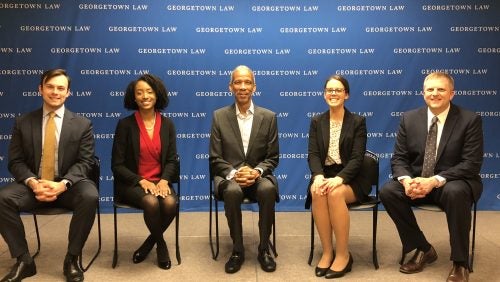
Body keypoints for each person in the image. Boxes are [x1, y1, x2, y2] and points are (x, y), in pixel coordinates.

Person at [380, 72, 483, 282]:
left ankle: (460, 262)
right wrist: (407, 180)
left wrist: (434, 181)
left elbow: (471, 164)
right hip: (419, 182)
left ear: (452, 94)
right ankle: (423, 248)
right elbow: (399, 159)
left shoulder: (469, 119)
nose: (435, 93)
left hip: (453, 182)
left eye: (441, 89)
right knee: (388, 191)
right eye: (430, 89)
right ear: (423, 93)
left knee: (456, 192)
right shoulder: (409, 119)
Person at [0, 69, 98, 282]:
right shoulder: (23, 122)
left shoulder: (82, 124)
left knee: (90, 196)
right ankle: (24, 260)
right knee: (2, 198)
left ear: (68, 93)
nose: (55, 92)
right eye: (50, 86)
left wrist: (63, 184)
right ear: (40, 89)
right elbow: (15, 162)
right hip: (33, 186)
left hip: (68, 187)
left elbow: (85, 162)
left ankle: (72, 258)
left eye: (61, 88)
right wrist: (34, 183)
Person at [209, 65, 279, 274]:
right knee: (231, 191)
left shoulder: (269, 117)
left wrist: (256, 172)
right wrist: (235, 173)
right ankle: (237, 251)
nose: (242, 86)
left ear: (254, 87)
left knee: (267, 189)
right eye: (238, 82)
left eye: (247, 82)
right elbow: (215, 157)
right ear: (230, 87)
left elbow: (273, 157)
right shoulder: (219, 116)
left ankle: (264, 249)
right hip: (230, 177)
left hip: (258, 176)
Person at [305, 75, 370, 279]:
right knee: (317, 192)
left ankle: (343, 255)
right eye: (329, 90)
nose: (333, 93)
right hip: (325, 174)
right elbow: (314, 154)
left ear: (346, 94)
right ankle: (327, 252)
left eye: (338, 90)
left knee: (334, 194)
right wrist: (317, 176)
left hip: (352, 177)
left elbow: (358, 158)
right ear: (325, 94)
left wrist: (340, 178)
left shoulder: (358, 122)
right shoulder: (317, 121)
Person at [111, 74, 178, 270]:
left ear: (157, 95)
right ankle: (161, 245)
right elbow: (117, 165)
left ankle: (149, 243)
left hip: (160, 182)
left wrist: (165, 180)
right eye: (139, 92)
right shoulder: (125, 125)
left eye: (149, 91)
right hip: (133, 184)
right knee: (150, 202)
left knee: (170, 203)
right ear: (133, 97)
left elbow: (172, 160)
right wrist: (141, 181)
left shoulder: (168, 124)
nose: (144, 96)